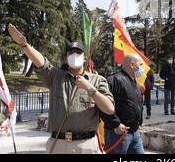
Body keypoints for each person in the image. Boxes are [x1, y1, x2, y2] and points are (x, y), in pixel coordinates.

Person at [7, 23, 115, 154]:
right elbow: (42, 63)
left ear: (85, 57)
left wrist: (89, 88)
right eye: (71, 53)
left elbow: (109, 109)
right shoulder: (56, 77)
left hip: (85, 145)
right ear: (66, 57)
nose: (74, 55)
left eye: (78, 52)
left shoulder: (97, 80)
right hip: (59, 143)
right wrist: (24, 45)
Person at [101, 54, 145, 154]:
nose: (143, 68)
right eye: (141, 64)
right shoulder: (114, 80)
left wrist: (139, 122)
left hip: (135, 133)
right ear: (132, 65)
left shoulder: (135, 82)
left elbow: (136, 104)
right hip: (118, 133)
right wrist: (115, 124)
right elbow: (103, 105)